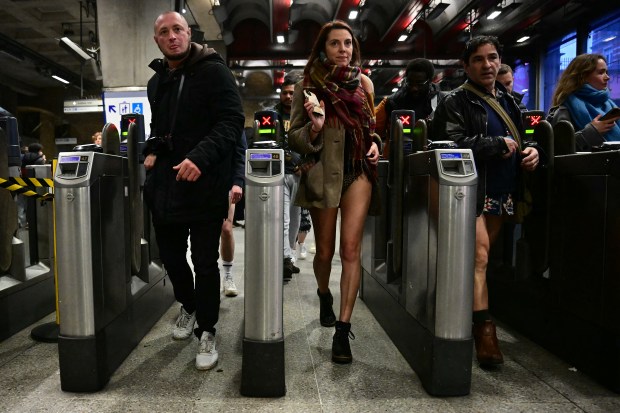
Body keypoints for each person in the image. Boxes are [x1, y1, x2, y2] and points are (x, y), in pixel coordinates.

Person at [431, 35, 541, 367]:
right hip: (470, 192)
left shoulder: (512, 101)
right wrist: (494, 144)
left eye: (492, 57)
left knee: (479, 259)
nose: (487, 64)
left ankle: (460, 309)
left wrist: (535, 151)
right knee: (479, 258)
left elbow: (530, 137)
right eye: (478, 59)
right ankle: (484, 333)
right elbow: (447, 142)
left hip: (502, 191)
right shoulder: (456, 101)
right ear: (466, 66)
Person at [143, 11, 244, 371]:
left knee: (204, 262)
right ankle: (189, 305)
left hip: (205, 186)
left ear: (190, 33)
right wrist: (152, 149)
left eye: (178, 30)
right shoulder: (157, 83)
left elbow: (233, 121)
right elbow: (159, 127)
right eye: (164, 32)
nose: (172, 37)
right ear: (157, 40)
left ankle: (208, 329)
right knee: (171, 258)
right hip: (166, 188)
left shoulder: (213, 71)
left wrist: (200, 158)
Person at [288, 20, 381, 364]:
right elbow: (294, 136)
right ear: (323, 49)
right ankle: (325, 293)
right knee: (324, 251)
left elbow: (370, 127)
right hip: (323, 172)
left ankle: (343, 330)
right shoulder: (308, 86)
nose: (343, 50)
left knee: (351, 249)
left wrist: (375, 144)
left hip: (358, 172)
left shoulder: (365, 84)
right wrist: (314, 127)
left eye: (348, 44)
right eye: (335, 44)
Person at [374, 58, 447, 157]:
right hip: (398, 162)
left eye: (419, 84)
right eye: (410, 83)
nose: (414, 88)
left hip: (433, 159)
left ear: (429, 81)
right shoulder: (391, 102)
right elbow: (373, 131)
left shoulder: (443, 102)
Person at [547, 53, 620, 151]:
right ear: (583, 76)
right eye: (601, 73)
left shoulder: (609, 105)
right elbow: (558, 150)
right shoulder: (564, 110)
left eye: (606, 72)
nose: (607, 77)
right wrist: (592, 132)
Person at [275, 74, 303, 280]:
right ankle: (284, 259)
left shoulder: (304, 115)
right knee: (283, 219)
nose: (288, 96)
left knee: (296, 219)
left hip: (300, 173)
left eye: (292, 93)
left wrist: (308, 163)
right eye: (285, 93)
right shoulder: (272, 115)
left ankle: (290, 256)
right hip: (280, 174)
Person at [220, 131, 247, 297]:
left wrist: (238, 182)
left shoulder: (232, 120)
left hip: (226, 181)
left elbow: (241, 153)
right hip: (202, 181)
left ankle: (228, 275)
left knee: (226, 228)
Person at [17, 143, 46, 228]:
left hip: (23, 182)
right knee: (34, 204)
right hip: (35, 185)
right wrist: (43, 160)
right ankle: (34, 222)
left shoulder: (23, 157)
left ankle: (22, 222)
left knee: (22, 203)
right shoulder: (39, 159)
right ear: (39, 150)